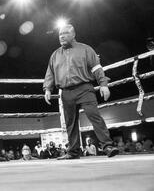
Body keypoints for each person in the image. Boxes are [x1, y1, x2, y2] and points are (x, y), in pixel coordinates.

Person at [43, 24, 119, 160]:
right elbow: (50, 73)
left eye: (65, 33)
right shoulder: (55, 55)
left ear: (73, 35)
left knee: (94, 115)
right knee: (70, 123)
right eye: (60, 34)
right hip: (66, 92)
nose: (62, 36)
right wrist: (47, 88)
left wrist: (103, 84)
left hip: (85, 89)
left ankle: (107, 146)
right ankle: (73, 151)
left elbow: (96, 68)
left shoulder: (85, 49)